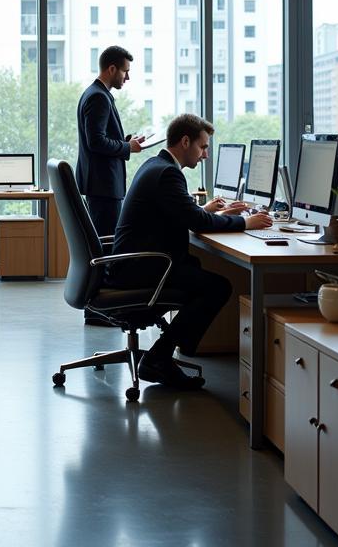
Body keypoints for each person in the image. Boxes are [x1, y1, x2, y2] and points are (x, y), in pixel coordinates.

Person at [112, 113, 272, 390]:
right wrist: (246, 222)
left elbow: (182, 214)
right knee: (218, 287)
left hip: (134, 263)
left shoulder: (156, 165)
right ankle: (161, 357)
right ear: (185, 142)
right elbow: (196, 222)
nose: (206, 155)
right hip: (142, 269)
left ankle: (170, 350)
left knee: (196, 267)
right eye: (203, 147)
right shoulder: (167, 173)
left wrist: (207, 210)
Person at [76, 45, 146, 237]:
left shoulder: (96, 93)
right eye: (125, 71)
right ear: (112, 69)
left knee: (105, 242)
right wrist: (127, 147)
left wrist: (126, 142)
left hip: (100, 186)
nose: (128, 77)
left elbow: (99, 137)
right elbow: (96, 142)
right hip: (103, 187)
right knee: (107, 245)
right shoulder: (98, 97)